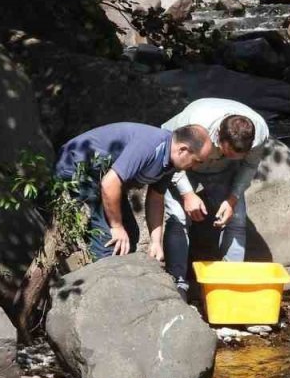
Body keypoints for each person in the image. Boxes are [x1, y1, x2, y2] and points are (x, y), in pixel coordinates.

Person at [158, 98, 270, 294]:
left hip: (224, 172)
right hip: (181, 165)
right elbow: (169, 155)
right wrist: (187, 194)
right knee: (178, 217)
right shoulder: (194, 123)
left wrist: (232, 199)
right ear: (218, 137)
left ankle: (229, 283)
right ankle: (178, 283)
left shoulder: (260, 132)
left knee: (236, 220)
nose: (232, 156)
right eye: (228, 152)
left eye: (239, 155)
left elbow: (249, 166)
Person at [54, 122, 212, 259]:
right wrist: (116, 227)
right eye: (197, 161)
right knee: (108, 240)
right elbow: (109, 183)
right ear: (183, 150)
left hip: (103, 178)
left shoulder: (171, 163)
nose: (196, 168)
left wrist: (156, 242)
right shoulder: (151, 145)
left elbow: (156, 198)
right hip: (77, 168)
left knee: (130, 233)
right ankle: (107, 287)